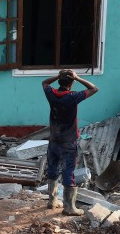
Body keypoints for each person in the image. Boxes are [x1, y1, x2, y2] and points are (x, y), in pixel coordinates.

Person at [42, 69, 98, 216]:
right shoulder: (73, 96)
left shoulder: (51, 94)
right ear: (71, 83)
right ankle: (69, 207)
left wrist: (58, 75)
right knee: (68, 172)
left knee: (52, 169)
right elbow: (94, 88)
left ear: (59, 81)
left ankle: (52, 201)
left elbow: (44, 82)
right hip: (68, 142)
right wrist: (78, 77)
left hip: (53, 140)